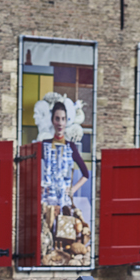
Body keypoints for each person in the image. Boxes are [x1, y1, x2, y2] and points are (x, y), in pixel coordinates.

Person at [40, 98, 90, 263]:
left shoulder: (71, 147)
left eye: (63, 119)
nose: (60, 123)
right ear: (52, 120)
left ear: (66, 121)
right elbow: (31, 167)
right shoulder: (44, 145)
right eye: (57, 118)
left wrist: (73, 190)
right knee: (46, 235)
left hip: (63, 202)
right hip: (46, 200)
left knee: (63, 237)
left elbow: (85, 173)